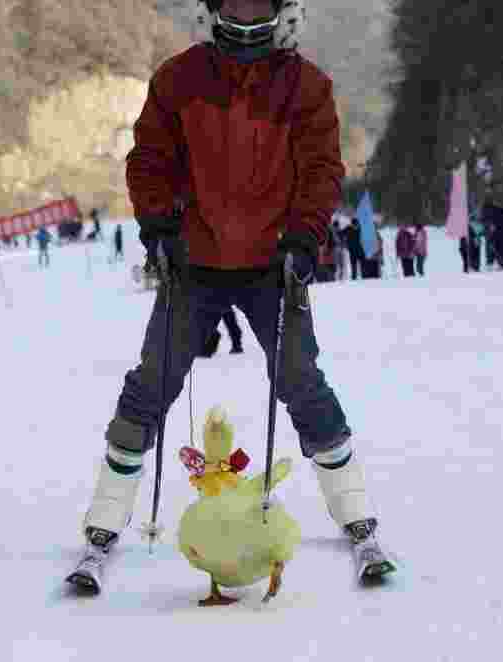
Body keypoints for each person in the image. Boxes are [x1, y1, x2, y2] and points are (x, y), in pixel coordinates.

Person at [68, 0, 393, 592]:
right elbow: (149, 160)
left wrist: (304, 238)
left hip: (272, 265)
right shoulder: (179, 79)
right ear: (214, 10)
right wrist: (160, 228)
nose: (246, 22)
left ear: (280, 12)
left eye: (258, 9)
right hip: (196, 263)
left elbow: (321, 171)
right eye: (235, 7)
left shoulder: (305, 87)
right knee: (152, 382)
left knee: (300, 379)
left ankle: (354, 511)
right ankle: (104, 521)